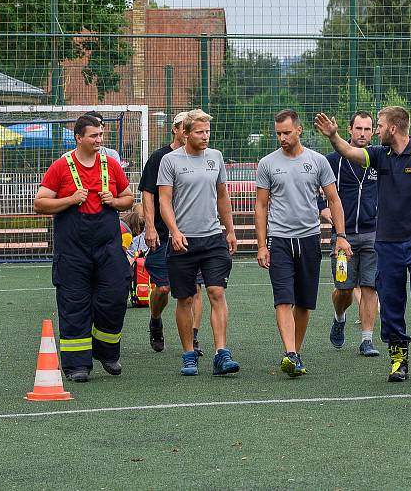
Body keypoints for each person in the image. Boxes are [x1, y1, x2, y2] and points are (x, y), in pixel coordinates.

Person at [314, 107, 411, 384]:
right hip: (388, 243)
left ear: (393, 128)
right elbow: (350, 153)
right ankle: (398, 360)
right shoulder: (379, 155)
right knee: (392, 303)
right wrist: (333, 137)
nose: (375, 131)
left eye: (378, 126)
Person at [33, 114, 134, 382]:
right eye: (94, 136)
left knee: (114, 296)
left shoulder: (111, 165)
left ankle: (107, 352)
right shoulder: (61, 166)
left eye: (101, 135)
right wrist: (69, 199)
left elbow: (129, 199)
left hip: (108, 246)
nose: (99, 140)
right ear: (79, 137)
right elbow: (40, 203)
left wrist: (114, 200)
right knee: (74, 303)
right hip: (72, 250)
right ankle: (77, 365)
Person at [255, 109, 351, 377]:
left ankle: (295, 354)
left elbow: (333, 200)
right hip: (280, 240)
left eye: (286, 133)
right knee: (283, 299)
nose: (282, 138)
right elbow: (261, 207)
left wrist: (341, 235)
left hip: (309, 239)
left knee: (305, 302)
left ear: (298, 130)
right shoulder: (267, 164)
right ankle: (290, 352)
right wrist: (262, 245)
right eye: (278, 134)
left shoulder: (318, 161)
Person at [158, 108, 240, 376]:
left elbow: (222, 196)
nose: (205, 136)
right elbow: (164, 201)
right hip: (183, 241)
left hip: (213, 238)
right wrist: (175, 231)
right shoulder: (170, 161)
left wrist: (229, 230)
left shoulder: (215, 157)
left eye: (207, 131)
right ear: (185, 133)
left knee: (216, 292)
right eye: (199, 132)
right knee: (185, 298)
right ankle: (188, 354)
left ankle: (221, 353)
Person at [137, 111, 206, 354]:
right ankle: (155, 319)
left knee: (196, 289)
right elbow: (148, 192)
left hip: (193, 234)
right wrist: (150, 226)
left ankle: (193, 338)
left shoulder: (204, 157)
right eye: (183, 126)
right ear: (176, 130)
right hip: (164, 235)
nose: (188, 131)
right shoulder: (160, 157)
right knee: (164, 288)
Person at [318, 111, 381, 357]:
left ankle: (367, 340)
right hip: (342, 237)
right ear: (349, 130)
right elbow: (312, 188)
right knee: (344, 289)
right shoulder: (333, 160)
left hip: (374, 235)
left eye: (367, 129)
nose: (363, 133)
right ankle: (339, 316)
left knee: (369, 288)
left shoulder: (379, 158)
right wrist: (321, 207)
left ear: (373, 131)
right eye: (358, 128)